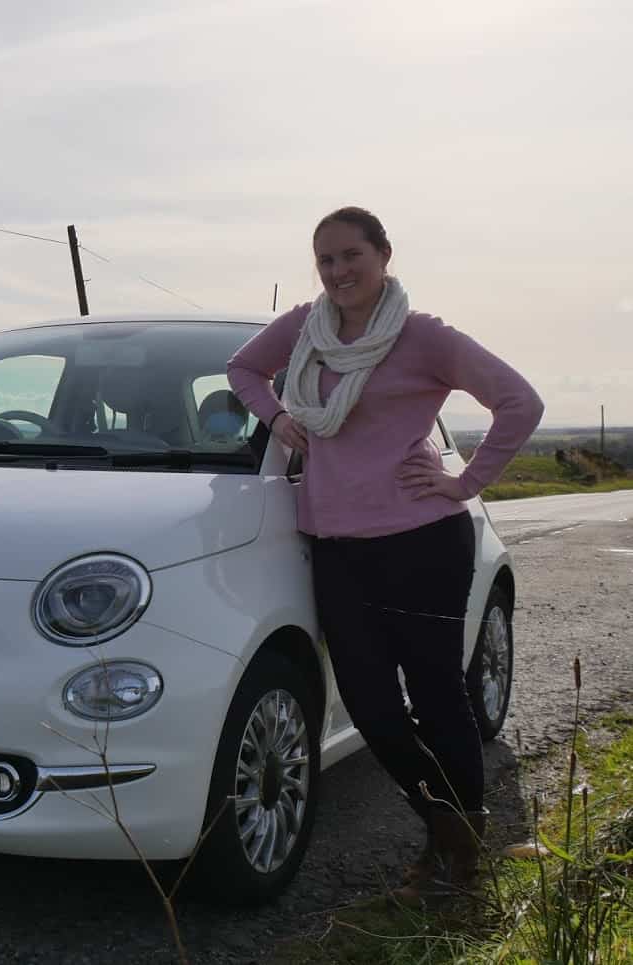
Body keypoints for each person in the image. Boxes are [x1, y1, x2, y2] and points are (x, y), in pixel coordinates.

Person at [226, 206, 544, 905]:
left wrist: (465, 482)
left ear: (384, 256)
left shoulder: (421, 335)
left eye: (351, 256)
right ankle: (449, 826)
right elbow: (243, 368)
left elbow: (520, 401)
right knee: (370, 704)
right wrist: (279, 417)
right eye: (326, 260)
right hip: (338, 544)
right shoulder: (305, 328)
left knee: (437, 693)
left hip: (423, 541)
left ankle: (456, 856)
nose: (338, 272)